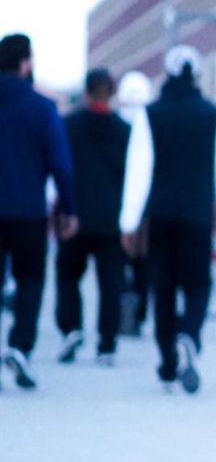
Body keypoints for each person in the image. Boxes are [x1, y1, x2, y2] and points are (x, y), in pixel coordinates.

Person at [119, 45, 216, 393]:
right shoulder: (214, 115)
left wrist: (129, 223)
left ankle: (168, 364)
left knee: (164, 288)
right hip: (198, 215)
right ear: (196, 75)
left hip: (161, 216)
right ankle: (189, 334)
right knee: (198, 283)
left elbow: (138, 170)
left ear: (167, 75)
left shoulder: (150, 114)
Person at [0, 32, 78, 389]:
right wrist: (68, 209)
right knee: (31, 280)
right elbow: (60, 164)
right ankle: (20, 346)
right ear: (26, 63)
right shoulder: (42, 108)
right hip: (29, 212)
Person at [55, 68, 131, 366]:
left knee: (68, 274)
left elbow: (60, 168)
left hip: (76, 215)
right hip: (112, 217)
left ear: (86, 92)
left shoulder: (68, 125)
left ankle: (71, 328)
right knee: (111, 280)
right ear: (112, 93)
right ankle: (107, 344)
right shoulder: (124, 131)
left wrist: (60, 209)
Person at [115, 70, 154, 335]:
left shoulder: (116, 127)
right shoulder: (150, 125)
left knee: (119, 265)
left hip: (119, 208)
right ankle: (137, 316)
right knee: (142, 266)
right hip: (146, 211)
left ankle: (121, 315)